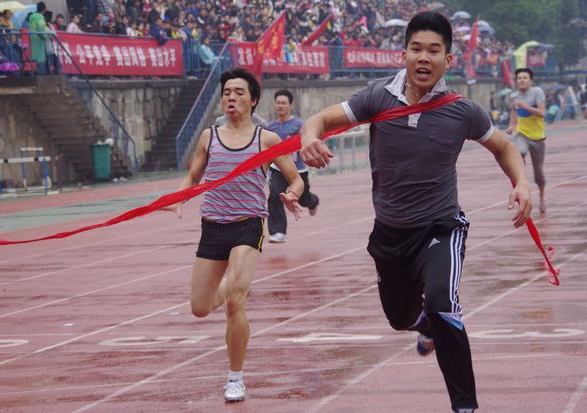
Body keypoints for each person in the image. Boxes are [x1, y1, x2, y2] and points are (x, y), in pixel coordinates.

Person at [300, 11, 532, 413]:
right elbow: (319, 119)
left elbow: (504, 147)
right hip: (390, 234)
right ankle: (424, 324)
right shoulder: (377, 97)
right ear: (404, 54)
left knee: (443, 302)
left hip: (441, 227)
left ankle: (465, 406)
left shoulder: (463, 111)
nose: (424, 58)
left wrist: (521, 183)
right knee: (398, 318)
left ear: (448, 59)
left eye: (434, 51)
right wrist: (309, 136)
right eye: (416, 49)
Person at [171, 67, 304, 403]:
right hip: (213, 226)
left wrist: (292, 195)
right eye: (227, 92)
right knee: (200, 307)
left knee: (234, 303)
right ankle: (235, 284)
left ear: (253, 100)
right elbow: (193, 178)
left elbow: (295, 177)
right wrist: (178, 198)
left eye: (239, 92)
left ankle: (235, 378)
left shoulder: (266, 140)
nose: (231, 97)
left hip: (248, 224)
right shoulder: (208, 137)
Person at [266, 89, 320, 243]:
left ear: (290, 105)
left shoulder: (299, 125)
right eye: (278, 103)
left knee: (303, 199)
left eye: (283, 103)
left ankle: (313, 201)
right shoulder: (270, 128)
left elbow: (307, 141)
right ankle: (278, 232)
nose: (280, 106)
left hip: (298, 169)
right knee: (275, 195)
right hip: (278, 168)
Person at [505, 68, 547, 213]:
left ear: (531, 80)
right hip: (521, 133)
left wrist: (525, 106)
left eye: (525, 78)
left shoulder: (537, 92)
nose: (521, 80)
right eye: (519, 78)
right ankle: (521, 178)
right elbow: (514, 112)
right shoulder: (514, 96)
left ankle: (542, 197)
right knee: (519, 151)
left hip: (537, 137)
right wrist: (511, 126)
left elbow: (542, 113)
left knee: (538, 173)